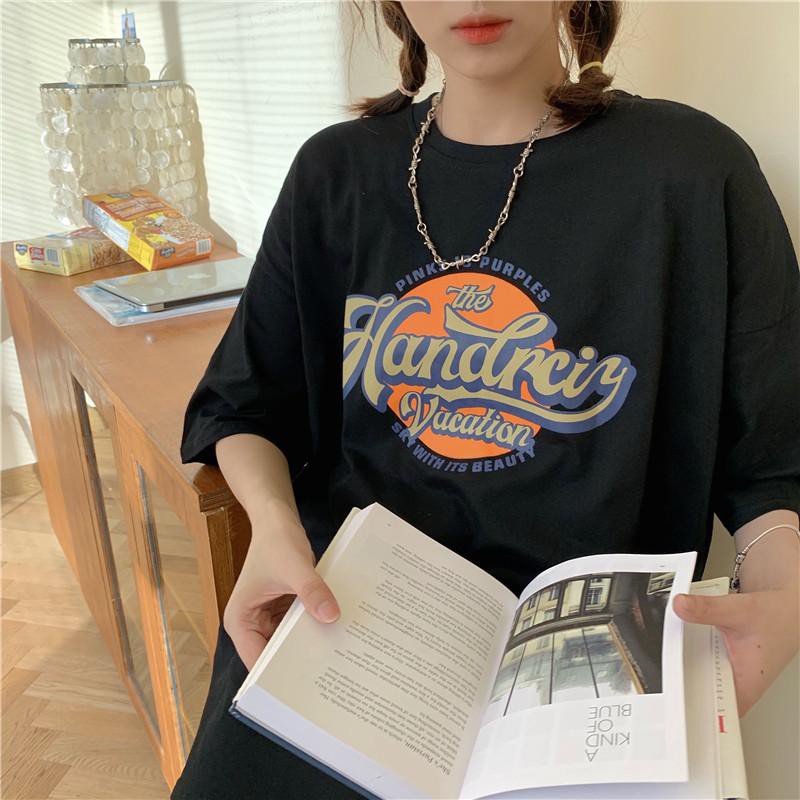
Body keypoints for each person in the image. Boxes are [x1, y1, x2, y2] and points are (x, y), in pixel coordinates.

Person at [171, 2, 800, 798]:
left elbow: (772, 462)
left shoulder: (693, 171)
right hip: (350, 628)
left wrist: (786, 594)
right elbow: (244, 403)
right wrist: (271, 525)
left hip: (588, 670)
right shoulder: (336, 172)